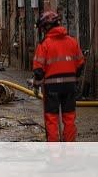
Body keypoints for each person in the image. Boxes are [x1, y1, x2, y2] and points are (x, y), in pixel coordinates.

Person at [33, 11, 85, 142]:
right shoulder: (73, 41)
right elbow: (80, 64)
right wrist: (75, 79)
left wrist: (37, 83)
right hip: (70, 86)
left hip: (51, 88)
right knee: (69, 118)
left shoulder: (44, 44)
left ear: (47, 27)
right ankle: (69, 153)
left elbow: (38, 70)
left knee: (52, 120)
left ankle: (55, 157)